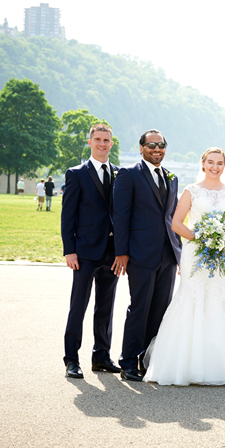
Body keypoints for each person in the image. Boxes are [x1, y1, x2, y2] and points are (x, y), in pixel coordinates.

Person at [143, 148, 225, 386]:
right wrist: (199, 239)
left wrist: (223, 244)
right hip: (195, 252)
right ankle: (184, 364)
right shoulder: (191, 190)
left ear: (224, 165)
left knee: (220, 297)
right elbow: (176, 223)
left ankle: (223, 364)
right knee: (191, 296)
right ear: (202, 164)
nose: (215, 166)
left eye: (219, 163)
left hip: (223, 255)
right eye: (210, 162)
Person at [112, 129, 182, 382]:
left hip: (168, 254)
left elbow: (172, 216)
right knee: (139, 308)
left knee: (160, 310)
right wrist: (122, 252)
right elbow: (120, 216)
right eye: (151, 144)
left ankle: (148, 361)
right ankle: (128, 362)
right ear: (141, 147)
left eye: (161, 144)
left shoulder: (171, 177)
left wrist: (180, 253)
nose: (157, 149)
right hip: (140, 254)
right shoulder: (128, 175)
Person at [61, 123, 120, 378]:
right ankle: (71, 360)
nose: (102, 144)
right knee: (78, 306)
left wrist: (122, 251)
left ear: (111, 143)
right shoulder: (76, 174)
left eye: (106, 140)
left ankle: (101, 357)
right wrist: (69, 250)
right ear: (90, 142)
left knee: (106, 308)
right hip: (84, 252)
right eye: (97, 139)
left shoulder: (120, 174)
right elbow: (67, 215)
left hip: (112, 253)